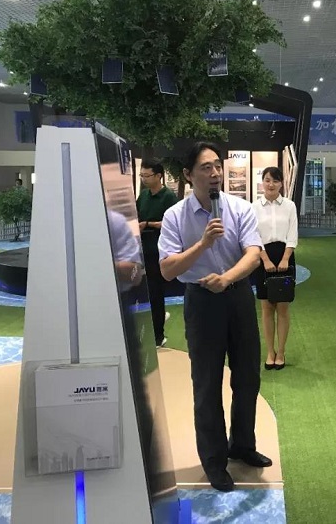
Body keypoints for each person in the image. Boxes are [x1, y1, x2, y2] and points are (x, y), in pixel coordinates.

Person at [158, 141, 271, 493]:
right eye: (206, 167)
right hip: (201, 302)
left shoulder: (240, 208)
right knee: (207, 384)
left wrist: (227, 279)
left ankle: (243, 445)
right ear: (188, 175)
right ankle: (214, 461)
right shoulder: (175, 216)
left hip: (238, 297)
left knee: (247, 377)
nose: (215, 173)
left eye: (217, 166)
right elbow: (167, 269)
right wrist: (203, 244)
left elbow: (253, 253)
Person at [252, 167, 298, 370]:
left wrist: (285, 258)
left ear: (281, 184)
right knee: (266, 308)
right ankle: (270, 352)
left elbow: (293, 235)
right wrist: (265, 260)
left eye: (275, 181)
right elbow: (253, 235)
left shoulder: (289, 206)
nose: (271, 184)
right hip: (263, 257)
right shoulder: (254, 207)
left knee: (283, 307)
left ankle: (281, 352)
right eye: (267, 180)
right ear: (262, 182)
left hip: (285, 256)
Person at [136, 158, 178, 347]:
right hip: (142, 250)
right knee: (147, 293)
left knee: (155, 293)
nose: (144, 179)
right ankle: (154, 325)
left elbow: (171, 223)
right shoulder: (143, 196)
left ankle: (158, 336)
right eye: (142, 175)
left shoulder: (168, 197)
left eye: (147, 175)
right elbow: (135, 215)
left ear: (159, 176)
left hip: (160, 252)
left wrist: (148, 224)